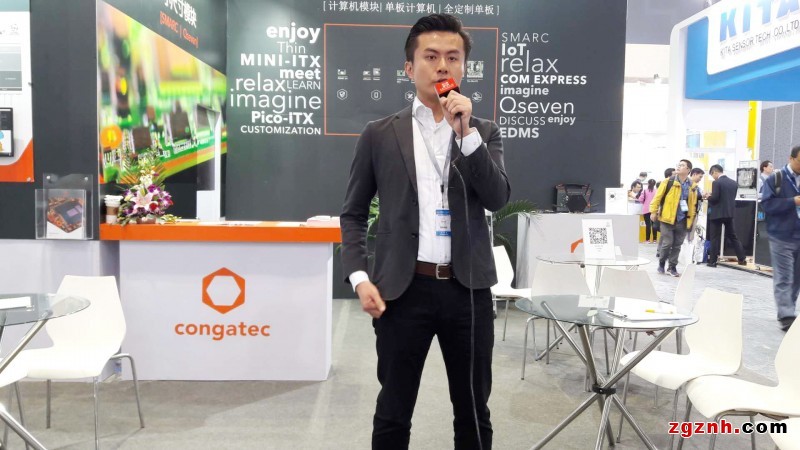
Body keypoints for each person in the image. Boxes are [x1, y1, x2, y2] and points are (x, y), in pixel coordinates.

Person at [340, 14, 509, 449]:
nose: (442, 66)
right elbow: (353, 213)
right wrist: (359, 277)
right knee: (393, 412)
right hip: (403, 290)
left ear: (464, 67)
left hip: (467, 292)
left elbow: (496, 197)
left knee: (473, 413)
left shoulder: (483, 132)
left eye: (453, 57)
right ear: (409, 67)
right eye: (430, 57)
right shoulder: (379, 134)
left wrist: (465, 134)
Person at [760, 146, 800, 332]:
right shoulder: (776, 179)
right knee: (784, 276)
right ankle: (786, 315)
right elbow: (767, 205)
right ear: (791, 158)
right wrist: (793, 201)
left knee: (797, 278)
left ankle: (787, 309)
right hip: (781, 236)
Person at [651, 160, 699, 277]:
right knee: (667, 243)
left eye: (682, 165)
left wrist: (691, 219)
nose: (678, 166)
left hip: (683, 219)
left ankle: (672, 267)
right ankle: (662, 263)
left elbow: (693, 204)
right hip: (667, 218)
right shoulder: (668, 182)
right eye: (678, 165)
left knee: (677, 245)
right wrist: (653, 211)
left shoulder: (692, 186)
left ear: (688, 170)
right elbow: (657, 198)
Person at [705, 165, 747, 267]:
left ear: (715, 172)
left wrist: (708, 196)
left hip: (717, 214)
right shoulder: (734, 183)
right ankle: (742, 258)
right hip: (729, 213)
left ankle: (713, 261)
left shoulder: (716, 183)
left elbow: (715, 198)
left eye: (712, 175)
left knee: (715, 237)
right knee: (733, 236)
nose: (713, 177)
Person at [640, 179, 658, 243]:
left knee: (648, 225)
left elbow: (641, 199)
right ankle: (655, 239)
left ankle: (647, 240)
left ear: (648, 183)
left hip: (646, 209)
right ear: (655, 184)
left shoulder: (644, 191)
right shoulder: (657, 191)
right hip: (654, 210)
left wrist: (645, 203)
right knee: (654, 225)